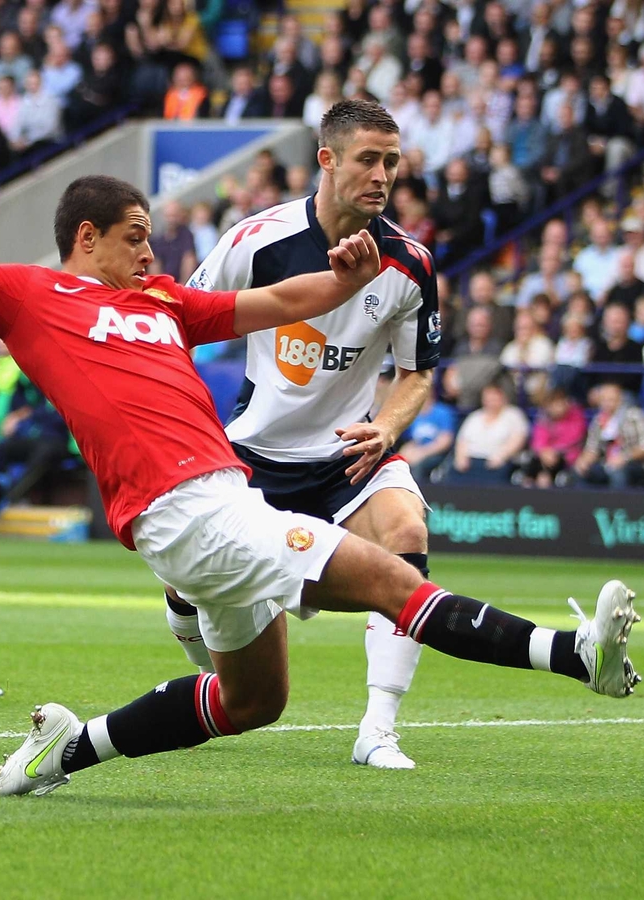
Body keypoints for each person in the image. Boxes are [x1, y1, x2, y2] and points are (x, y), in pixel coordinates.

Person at [0, 60, 641, 798]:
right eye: (136, 241)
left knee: (255, 701)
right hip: (189, 510)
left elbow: (276, 304)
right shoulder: (31, 297)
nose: (151, 256)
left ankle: (66, 751)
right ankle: (577, 657)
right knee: (396, 580)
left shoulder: (164, 302)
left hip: (219, 503)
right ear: (85, 238)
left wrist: (340, 278)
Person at [167, 101, 446, 769]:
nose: (382, 174)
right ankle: (217, 681)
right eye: (368, 159)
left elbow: (416, 376)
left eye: (391, 161)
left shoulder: (409, 265)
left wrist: (386, 427)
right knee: (186, 592)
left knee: (406, 535)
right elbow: (179, 323)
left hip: (350, 457)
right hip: (253, 457)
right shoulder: (255, 241)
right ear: (327, 159)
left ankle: (378, 729)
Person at [571, 381, 644, 489]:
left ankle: (618, 505)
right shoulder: (598, 420)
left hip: (633, 463)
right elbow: (592, 448)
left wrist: (624, 457)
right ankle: (586, 505)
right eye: (604, 400)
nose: (607, 404)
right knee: (580, 471)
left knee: (617, 472)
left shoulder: (635, 416)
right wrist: (584, 460)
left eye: (611, 400)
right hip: (605, 463)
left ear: (620, 400)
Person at [450, 380, 530, 485]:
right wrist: (460, 457)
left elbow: (518, 439)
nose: (491, 401)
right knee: (454, 472)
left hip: (497, 461)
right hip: (471, 460)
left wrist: (501, 456)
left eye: (494, 398)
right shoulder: (475, 416)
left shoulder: (513, 416)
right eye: (488, 398)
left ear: (502, 398)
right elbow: (462, 440)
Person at [523, 388, 587, 488]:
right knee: (531, 461)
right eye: (553, 405)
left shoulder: (576, 416)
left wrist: (554, 451)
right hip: (545, 457)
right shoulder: (544, 418)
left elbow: (573, 439)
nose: (557, 408)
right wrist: (544, 451)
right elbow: (538, 440)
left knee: (552, 466)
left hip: (567, 457)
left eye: (559, 404)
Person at [399, 393, 456, 484]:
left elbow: (445, 441)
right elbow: (413, 440)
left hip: (437, 453)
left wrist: (422, 453)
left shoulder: (442, 412)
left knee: (419, 465)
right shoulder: (415, 414)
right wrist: (405, 452)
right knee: (399, 462)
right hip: (418, 449)